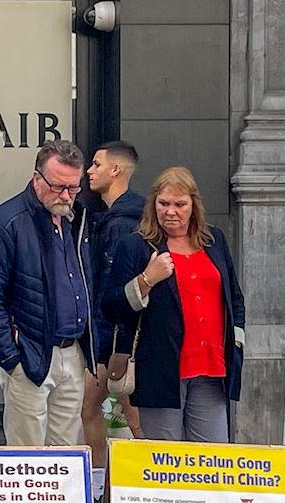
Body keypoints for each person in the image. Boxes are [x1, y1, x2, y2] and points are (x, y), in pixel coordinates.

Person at [103, 167, 245, 443]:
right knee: (165, 461)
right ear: (153, 203)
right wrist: (146, 280)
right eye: (163, 203)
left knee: (212, 458)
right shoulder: (135, 246)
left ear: (194, 206)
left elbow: (234, 297)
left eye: (179, 204)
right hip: (161, 370)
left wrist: (237, 340)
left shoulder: (214, 241)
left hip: (212, 368)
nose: (171, 211)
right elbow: (111, 307)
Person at [0, 141, 94, 447]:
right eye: (57, 186)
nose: (65, 195)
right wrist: (11, 359)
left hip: (72, 350)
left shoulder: (77, 220)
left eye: (73, 187)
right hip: (29, 350)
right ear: (36, 178)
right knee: (28, 457)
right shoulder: (5, 223)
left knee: (68, 454)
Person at [81, 142, 145, 457]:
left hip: (117, 339)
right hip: (114, 338)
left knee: (130, 415)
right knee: (101, 410)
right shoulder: (117, 217)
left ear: (115, 170)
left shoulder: (120, 223)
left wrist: (105, 345)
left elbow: (112, 285)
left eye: (96, 164)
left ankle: (115, 487)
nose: (89, 171)